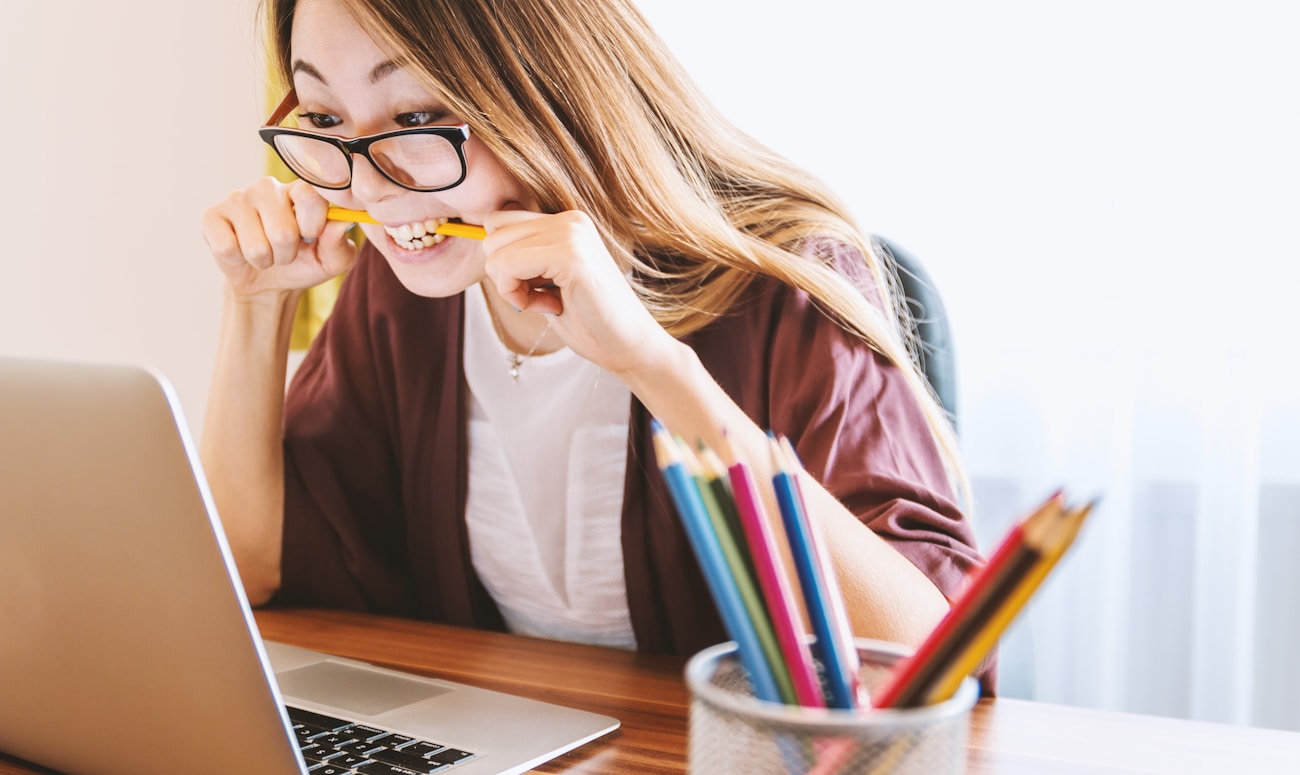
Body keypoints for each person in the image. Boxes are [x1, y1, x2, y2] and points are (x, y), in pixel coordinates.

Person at [200, 0, 988, 682]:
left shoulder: (783, 282)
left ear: (550, 91)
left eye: (416, 118)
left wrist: (650, 364)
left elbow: (930, 661)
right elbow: (251, 567)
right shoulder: (407, 289)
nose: (367, 187)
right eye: (325, 119)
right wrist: (255, 305)